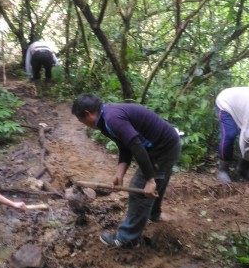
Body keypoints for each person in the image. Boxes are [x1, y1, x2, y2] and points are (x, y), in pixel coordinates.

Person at [72, 94, 182, 249]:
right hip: (169, 144)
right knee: (157, 183)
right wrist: (120, 173)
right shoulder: (105, 119)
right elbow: (125, 145)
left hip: (162, 149)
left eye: (81, 120)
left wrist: (149, 179)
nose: (83, 124)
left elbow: (136, 145)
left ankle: (127, 239)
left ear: (88, 114)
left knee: (140, 190)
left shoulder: (112, 118)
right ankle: (153, 214)